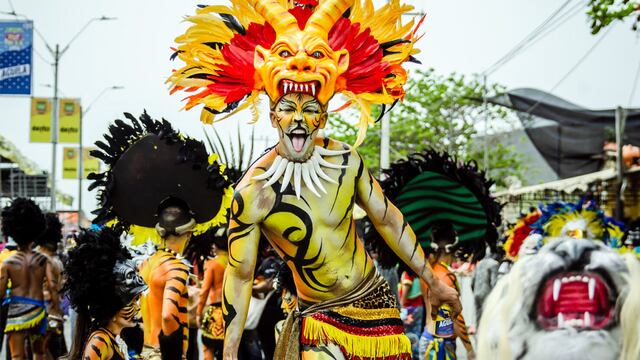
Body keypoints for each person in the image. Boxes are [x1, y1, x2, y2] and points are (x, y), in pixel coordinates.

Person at [168, 1, 461, 358]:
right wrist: (229, 351)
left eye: (309, 110)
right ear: (273, 117)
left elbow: (386, 218)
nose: (298, 119)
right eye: (288, 109)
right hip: (319, 319)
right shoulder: (254, 192)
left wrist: (431, 281)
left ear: (321, 117)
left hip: (376, 305)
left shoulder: (345, 161)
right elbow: (240, 275)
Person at [87, 112, 233, 359]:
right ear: (189, 233)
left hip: (145, 351)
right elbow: (167, 314)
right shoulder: (176, 268)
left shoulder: (145, 265)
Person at [64, 227, 148, 359]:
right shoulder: (99, 341)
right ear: (111, 308)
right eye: (131, 302)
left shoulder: (114, 338)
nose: (138, 307)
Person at [0, 198, 60, 360]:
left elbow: (1, 293)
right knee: (39, 352)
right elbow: (53, 287)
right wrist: (56, 310)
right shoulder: (43, 260)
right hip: (38, 311)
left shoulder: (8, 263)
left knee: (17, 356)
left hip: (16, 312)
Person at [419, 222, 474, 360]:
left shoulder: (428, 272)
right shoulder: (444, 279)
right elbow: (454, 317)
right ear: (452, 249)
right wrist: (469, 349)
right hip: (439, 344)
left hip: (429, 336)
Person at [36, 213, 67, 359]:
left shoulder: (39, 259)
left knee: (41, 353)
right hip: (55, 314)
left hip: (43, 314)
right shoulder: (57, 261)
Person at [197, 228, 228, 360]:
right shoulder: (235, 264)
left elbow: (204, 291)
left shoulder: (212, 264)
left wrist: (198, 312)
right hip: (234, 314)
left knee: (208, 347)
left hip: (216, 314)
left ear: (215, 246)